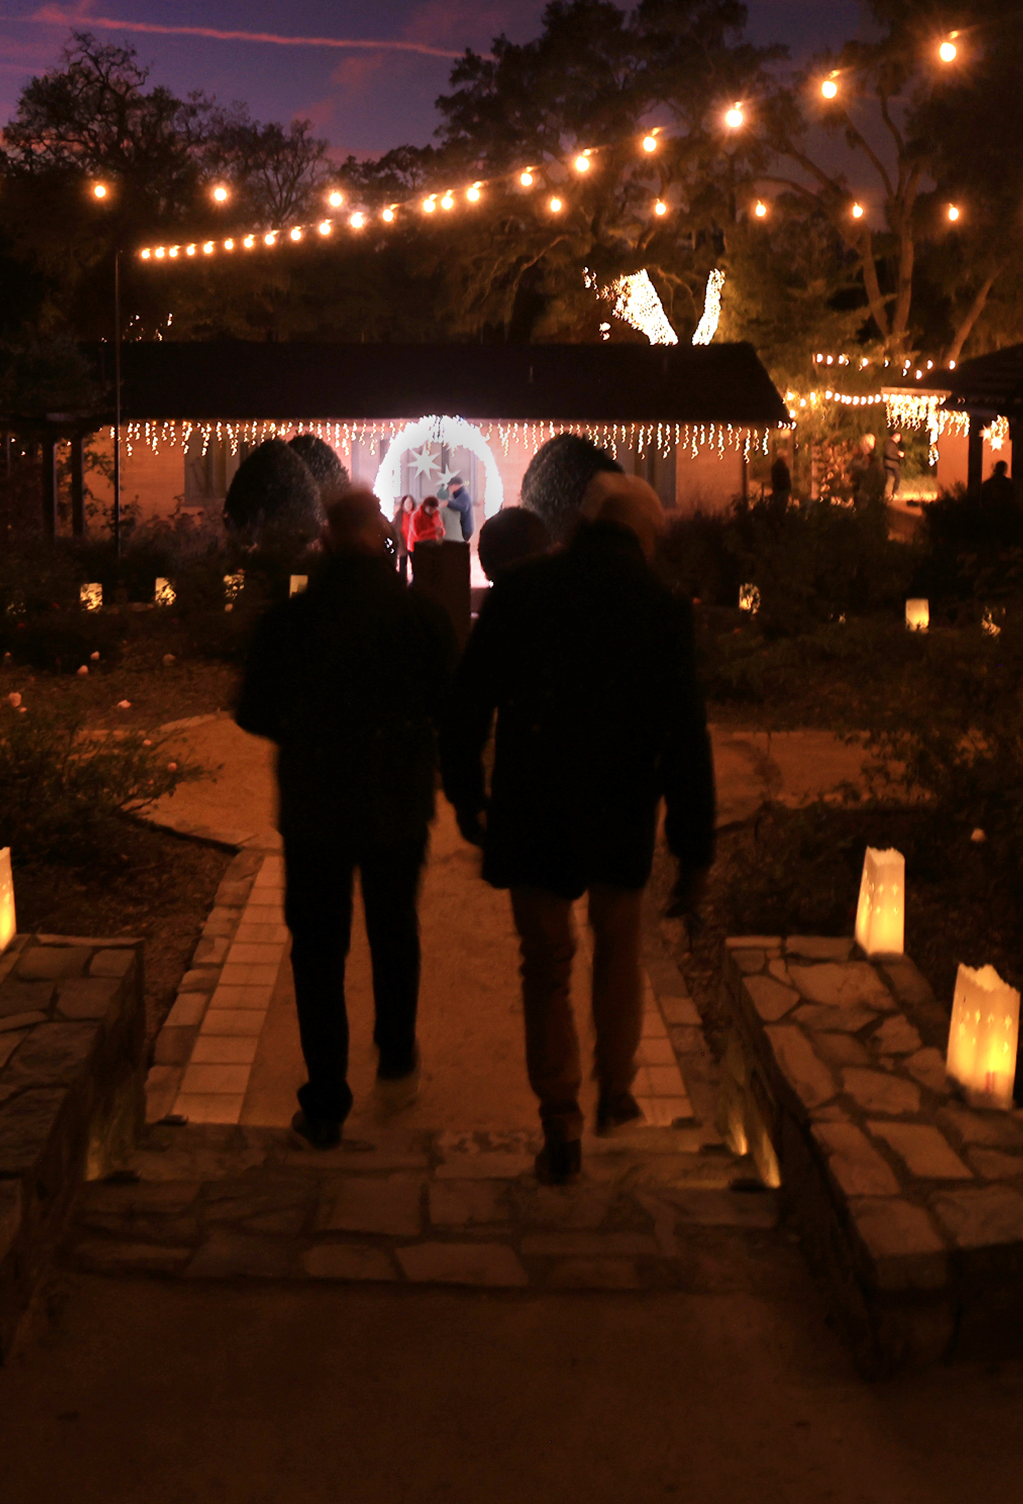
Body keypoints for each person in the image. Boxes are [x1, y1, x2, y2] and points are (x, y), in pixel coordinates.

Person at [440, 471, 717, 1183]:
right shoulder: (660, 607)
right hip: (621, 802)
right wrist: (692, 846)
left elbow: (469, 699)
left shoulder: (524, 590)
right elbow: (686, 733)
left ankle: (559, 1117)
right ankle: (617, 1091)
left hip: (534, 799)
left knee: (546, 963)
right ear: (640, 532)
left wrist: (468, 792)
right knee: (621, 950)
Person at [233, 487, 458, 1148]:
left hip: (316, 802)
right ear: (381, 532)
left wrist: (305, 732)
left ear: (327, 535)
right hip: (396, 797)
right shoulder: (422, 617)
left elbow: (252, 711)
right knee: (395, 930)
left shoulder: (289, 622)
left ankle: (326, 1097)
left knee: (318, 949)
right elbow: (452, 707)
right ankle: (396, 1058)